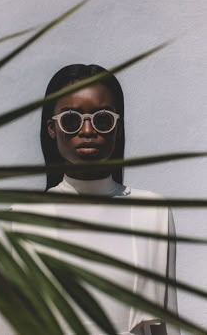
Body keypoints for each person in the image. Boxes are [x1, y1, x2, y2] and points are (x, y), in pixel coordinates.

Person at [37, 64, 180, 335]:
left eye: (102, 119)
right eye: (71, 120)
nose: (88, 130)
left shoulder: (151, 212)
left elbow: (167, 324)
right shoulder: (20, 219)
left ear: (117, 127)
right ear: (52, 129)